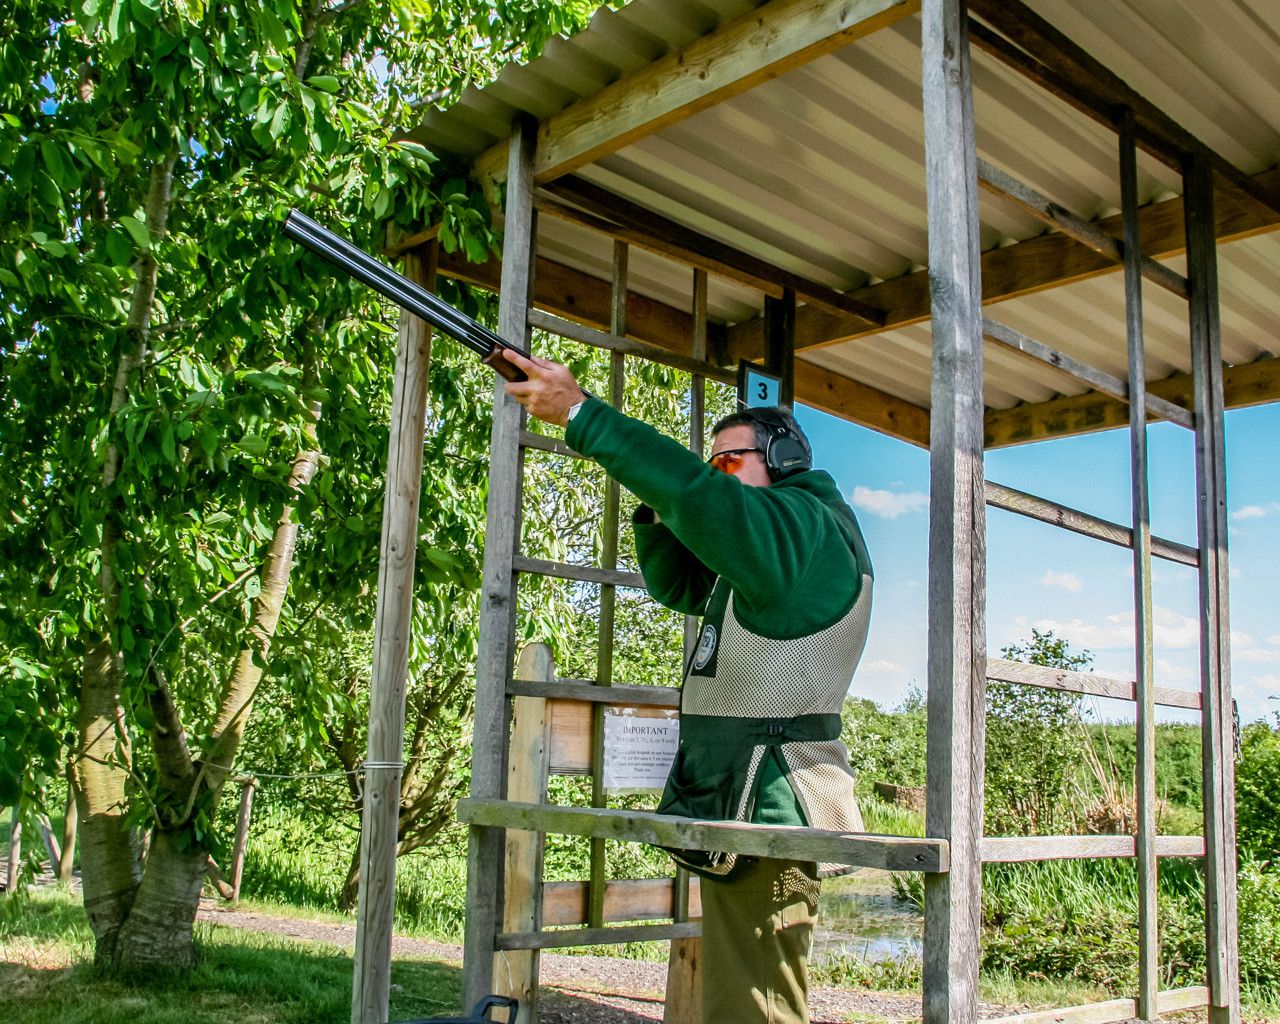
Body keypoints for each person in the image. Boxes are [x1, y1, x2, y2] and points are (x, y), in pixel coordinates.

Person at [499, 347, 874, 1024]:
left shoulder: (801, 531)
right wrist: (669, 493)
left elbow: (697, 499)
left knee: (754, 1009)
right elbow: (678, 580)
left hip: (768, 800)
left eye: (729, 461)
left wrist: (581, 413)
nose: (717, 475)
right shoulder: (781, 546)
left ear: (784, 460)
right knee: (744, 996)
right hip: (745, 799)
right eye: (713, 464)